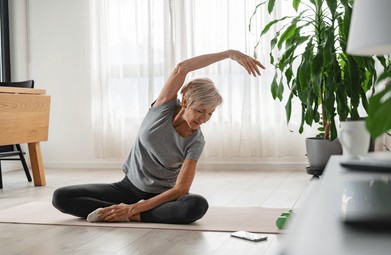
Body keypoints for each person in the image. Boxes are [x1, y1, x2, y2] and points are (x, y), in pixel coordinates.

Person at [52, 49, 265, 224]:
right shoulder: (162, 108)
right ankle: (126, 213)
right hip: (127, 187)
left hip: (161, 197)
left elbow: (182, 189)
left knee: (196, 205)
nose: (204, 119)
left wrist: (136, 207)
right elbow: (182, 67)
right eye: (200, 110)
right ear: (186, 102)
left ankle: (133, 214)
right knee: (61, 197)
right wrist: (229, 54)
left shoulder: (196, 141)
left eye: (210, 113)